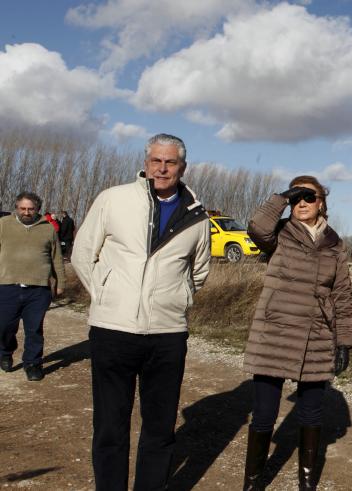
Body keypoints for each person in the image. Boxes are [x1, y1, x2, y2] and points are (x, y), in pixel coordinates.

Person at [72, 133, 211, 490]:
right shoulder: (113, 200)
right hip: (112, 330)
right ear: (145, 162)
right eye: (155, 161)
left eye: (170, 162)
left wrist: (173, 299)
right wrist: (107, 295)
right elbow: (83, 253)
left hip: (167, 335)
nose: (162, 169)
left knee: (160, 428)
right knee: (110, 426)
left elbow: (198, 272)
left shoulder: (197, 216)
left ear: (183, 166)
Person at [241, 175, 352, 491]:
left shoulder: (335, 244)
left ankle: (307, 483)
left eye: (310, 196)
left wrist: (344, 340)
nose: (302, 203)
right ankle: (252, 483)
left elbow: (342, 295)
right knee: (264, 414)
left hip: (317, 335)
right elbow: (256, 226)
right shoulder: (279, 234)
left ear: (322, 203)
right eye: (297, 198)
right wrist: (281, 195)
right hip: (274, 333)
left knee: (311, 414)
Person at [0, 192, 65, 381]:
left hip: (38, 289)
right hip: (7, 286)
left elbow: (56, 257)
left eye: (30, 209)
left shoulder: (48, 229)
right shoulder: (4, 225)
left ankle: (32, 363)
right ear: (17, 208)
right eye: (23, 208)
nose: (26, 212)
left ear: (37, 209)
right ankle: (5, 352)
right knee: (4, 327)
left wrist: (60, 282)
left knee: (34, 329)